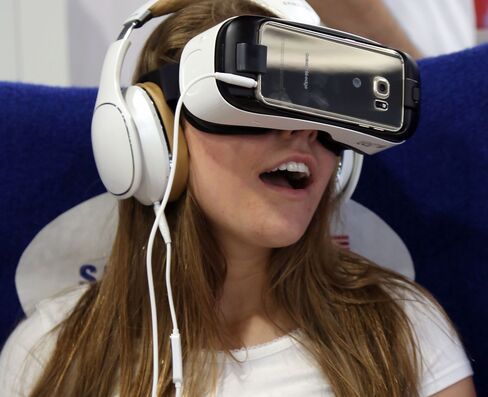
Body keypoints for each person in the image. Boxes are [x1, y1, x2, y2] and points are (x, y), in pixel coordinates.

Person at [0, 0, 477, 396]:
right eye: (256, 101)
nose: (304, 130)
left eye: (321, 111)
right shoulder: (52, 355)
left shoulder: (400, 329)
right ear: (153, 137)